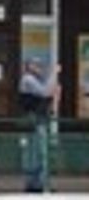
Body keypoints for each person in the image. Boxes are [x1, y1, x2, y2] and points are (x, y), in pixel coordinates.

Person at [19, 58, 61, 192]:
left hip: (39, 119)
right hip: (34, 120)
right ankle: (36, 184)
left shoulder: (35, 80)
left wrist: (55, 98)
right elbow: (44, 92)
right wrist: (54, 73)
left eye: (40, 65)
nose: (39, 67)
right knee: (36, 152)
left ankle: (37, 183)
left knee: (38, 152)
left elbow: (48, 98)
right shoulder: (28, 79)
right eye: (36, 65)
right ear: (29, 66)